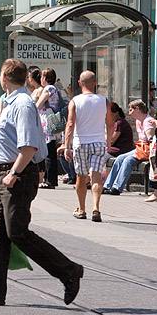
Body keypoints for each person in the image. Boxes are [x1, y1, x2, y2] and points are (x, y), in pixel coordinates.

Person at [0, 58, 83, 307]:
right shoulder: (11, 103)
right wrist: (0, 179)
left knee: (17, 232)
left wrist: (13, 174)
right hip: (6, 173)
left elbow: (29, 146)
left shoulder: (22, 105)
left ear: (4, 77)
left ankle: (68, 270)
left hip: (19, 174)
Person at [63, 70, 113, 222]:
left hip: (81, 143)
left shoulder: (75, 101)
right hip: (98, 143)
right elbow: (110, 123)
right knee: (96, 176)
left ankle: (82, 209)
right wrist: (108, 141)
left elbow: (70, 124)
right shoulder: (104, 101)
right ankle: (96, 208)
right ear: (95, 83)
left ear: (80, 83)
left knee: (81, 177)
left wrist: (66, 145)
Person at [103, 100, 157, 201]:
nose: (129, 112)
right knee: (119, 158)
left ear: (137, 109)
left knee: (128, 160)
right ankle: (107, 185)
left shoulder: (148, 121)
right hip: (140, 148)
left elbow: (151, 140)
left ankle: (117, 188)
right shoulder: (138, 121)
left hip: (147, 149)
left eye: (131, 109)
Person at [35, 68, 64, 189]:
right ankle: (51, 179)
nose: (40, 79)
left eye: (42, 76)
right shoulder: (55, 88)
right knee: (50, 151)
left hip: (47, 122)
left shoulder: (48, 88)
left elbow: (39, 104)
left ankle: (50, 180)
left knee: (49, 152)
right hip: (51, 121)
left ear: (46, 78)